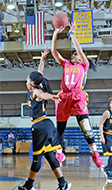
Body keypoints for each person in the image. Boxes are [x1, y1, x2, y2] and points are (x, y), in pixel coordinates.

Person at [51, 23, 104, 168]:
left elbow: (79, 49)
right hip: (64, 96)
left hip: (77, 96)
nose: (75, 54)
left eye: (77, 54)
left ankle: (95, 153)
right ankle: (60, 152)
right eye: (73, 54)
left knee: (85, 125)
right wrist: (55, 34)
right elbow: (54, 51)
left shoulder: (84, 65)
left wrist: (72, 34)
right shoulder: (66, 64)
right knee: (60, 129)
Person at [18, 48, 71, 190]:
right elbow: (40, 74)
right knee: (50, 157)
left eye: (27, 80)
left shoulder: (35, 91)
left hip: (40, 125)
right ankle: (63, 184)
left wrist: (52, 96)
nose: (26, 81)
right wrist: (42, 59)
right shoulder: (36, 86)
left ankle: (29, 186)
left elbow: (43, 94)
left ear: (32, 83)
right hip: (47, 124)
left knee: (36, 159)